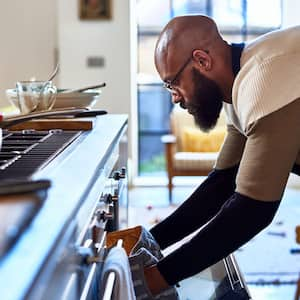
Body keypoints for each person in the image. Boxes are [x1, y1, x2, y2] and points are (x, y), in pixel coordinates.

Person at [141, 14, 300, 296]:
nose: (174, 97)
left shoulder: (264, 78)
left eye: (172, 83)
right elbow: (223, 184)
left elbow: (252, 210)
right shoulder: (240, 83)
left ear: (202, 61)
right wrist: (151, 242)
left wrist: (154, 279)